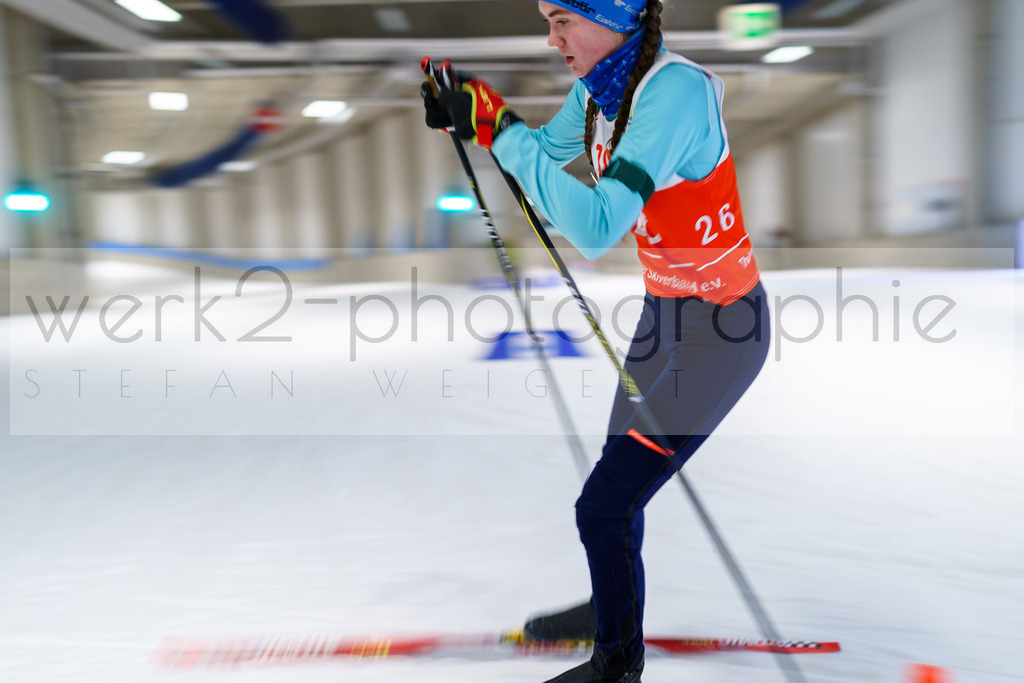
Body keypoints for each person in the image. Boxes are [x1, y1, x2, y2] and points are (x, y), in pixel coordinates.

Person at [422, 1, 771, 681]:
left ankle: (617, 663)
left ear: (614, 16)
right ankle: (608, 607)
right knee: (615, 494)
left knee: (603, 504)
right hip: (664, 318)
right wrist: (477, 111)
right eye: (547, 21)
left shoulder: (674, 92)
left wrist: (499, 132)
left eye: (563, 20)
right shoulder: (599, 91)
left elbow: (597, 223)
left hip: (724, 332)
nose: (552, 39)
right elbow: (544, 151)